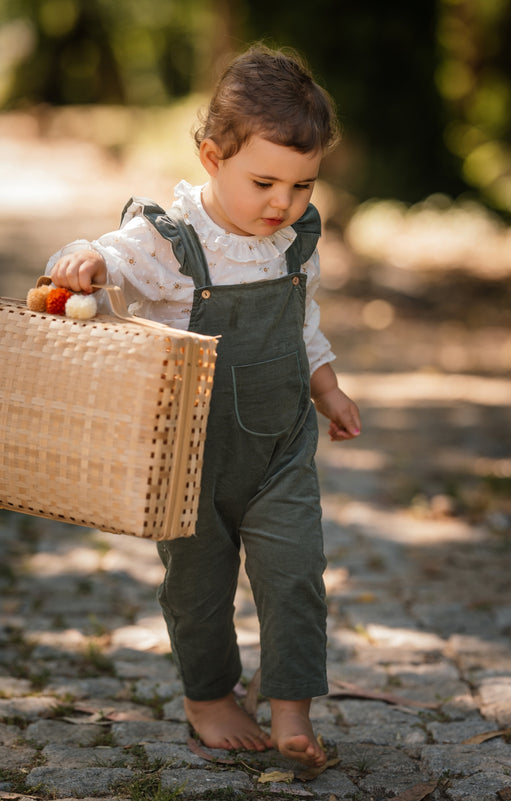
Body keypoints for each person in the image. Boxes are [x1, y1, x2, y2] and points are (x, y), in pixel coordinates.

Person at [48, 43, 361, 767]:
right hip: (190, 454)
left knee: (295, 573)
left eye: (302, 185)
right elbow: (109, 259)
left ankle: (290, 708)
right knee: (197, 586)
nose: (282, 204)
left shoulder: (292, 241)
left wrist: (328, 386)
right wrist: (83, 261)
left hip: (280, 447)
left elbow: (302, 324)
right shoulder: (170, 239)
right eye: (264, 182)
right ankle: (210, 694)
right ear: (212, 157)